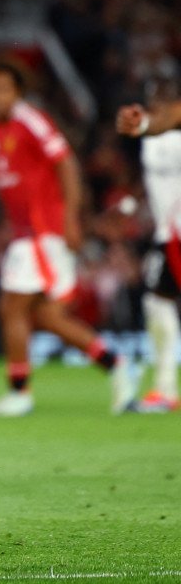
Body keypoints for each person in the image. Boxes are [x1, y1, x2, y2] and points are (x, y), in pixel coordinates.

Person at [0, 60, 133, 416]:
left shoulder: (31, 121)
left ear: (18, 92)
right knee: (46, 317)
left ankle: (20, 392)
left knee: (12, 308)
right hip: (25, 234)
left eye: (2, 89)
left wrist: (71, 217)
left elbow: (66, 163)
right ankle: (115, 362)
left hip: (45, 231)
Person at [116, 89, 181, 412]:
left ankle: (166, 388)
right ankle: (166, 389)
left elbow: (167, 117)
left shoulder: (170, 120)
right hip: (168, 233)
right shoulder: (153, 138)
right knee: (156, 302)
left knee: (158, 302)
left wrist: (145, 125)